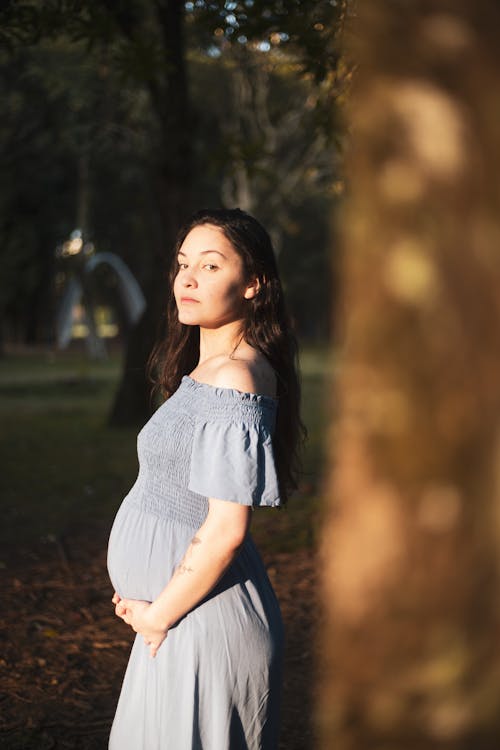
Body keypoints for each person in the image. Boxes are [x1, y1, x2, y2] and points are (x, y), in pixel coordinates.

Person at [107, 207, 304, 749]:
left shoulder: (236, 377)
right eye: (182, 264)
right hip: (175, 620)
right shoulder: (208, 371)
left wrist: (158, 615)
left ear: (253, 285)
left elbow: (225, 530)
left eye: (211, 266)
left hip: (197, 623)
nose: (187, 279)